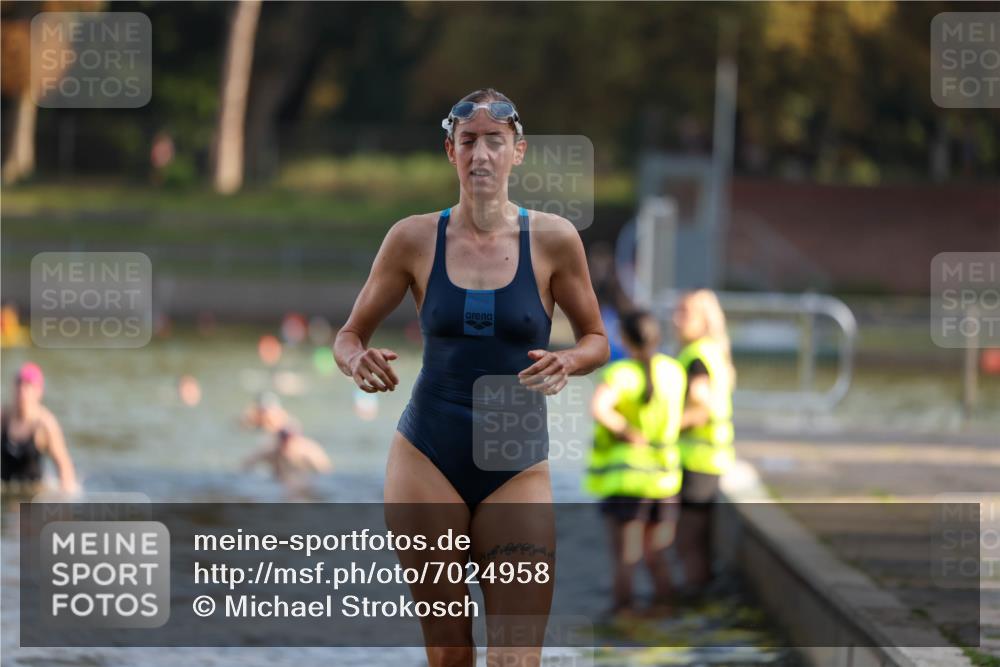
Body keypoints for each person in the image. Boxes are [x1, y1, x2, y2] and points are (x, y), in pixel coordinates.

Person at [333, 88, 608, 667]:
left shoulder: (554, 239)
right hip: (427, 456)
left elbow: (597, 340)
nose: (481, 155)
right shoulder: (412, 238)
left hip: (517, 463)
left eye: (495, 142)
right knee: (451, 654)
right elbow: (349, 334)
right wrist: (356, 360)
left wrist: (569, 361)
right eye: (468, 142)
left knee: (516, 658)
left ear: (518, 151)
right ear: (450, 151)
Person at [585, 309, 686, 618]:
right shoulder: (674, 371)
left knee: (625, 560)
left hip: (626, 481)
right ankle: (666, 614)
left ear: (624, 338)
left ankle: (623, 621)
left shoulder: (621, 373)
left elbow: (599, 408)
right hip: (664, 479)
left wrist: (627, 432)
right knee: (657, 556)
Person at [672, 289, 735, 594]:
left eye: (684, 313)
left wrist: (662, 430)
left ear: (704, 320)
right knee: (698, 540)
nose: (676, 319)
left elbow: (701, 408)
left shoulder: (697, 357)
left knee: (688, 541)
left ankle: (694, 598)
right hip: (710, 459)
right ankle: (701, 595)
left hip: (697, 461)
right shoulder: (714, 352)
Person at [1, 362, 78, 495]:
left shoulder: (45, 424)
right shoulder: (3, 418)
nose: (22, 390)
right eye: (19, 384)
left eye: (28, 385)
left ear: (39, 391)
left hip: (32, 493)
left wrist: (66, 497)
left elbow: (64, 466)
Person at [241, 425, 332, 484]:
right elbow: (246, 464)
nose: (285, 443)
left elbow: (325, 472)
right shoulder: (270, 450)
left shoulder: (308, 452)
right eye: (283, 438)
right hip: (276, 481)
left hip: (302, 482)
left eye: (288, 439)